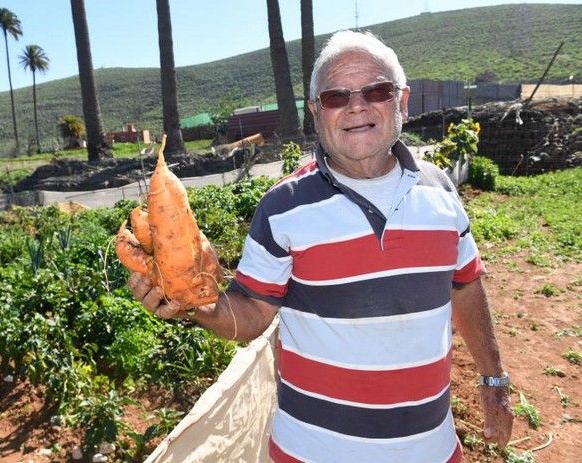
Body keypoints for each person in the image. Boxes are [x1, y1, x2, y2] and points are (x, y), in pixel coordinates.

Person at [128, 30, 513, 462]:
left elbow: (466, 286)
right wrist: (192, 302)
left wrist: (493, 380)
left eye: (377, 90)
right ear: (316, 112)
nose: (356, 105)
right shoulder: (282, 207)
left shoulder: (441, 190)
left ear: (401, 101)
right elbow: (252, 316)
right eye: (335, 96)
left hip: (430, 449)